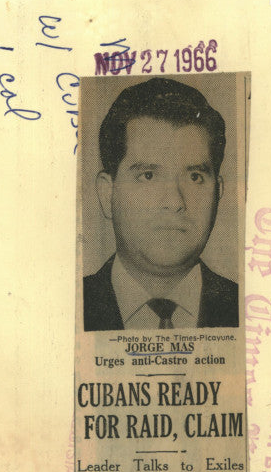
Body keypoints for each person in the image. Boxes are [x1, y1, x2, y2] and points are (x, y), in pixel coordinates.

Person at [83, 77, 239, 331]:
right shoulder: (69, 307)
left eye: (195, 177)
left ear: (218, 192)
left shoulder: (247, 308)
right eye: (148, 176)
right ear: (106, 192)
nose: (174, 202)